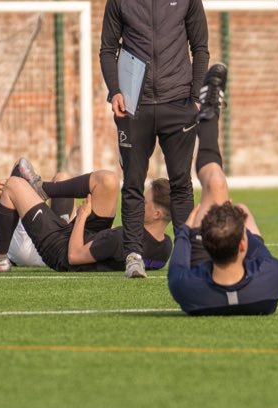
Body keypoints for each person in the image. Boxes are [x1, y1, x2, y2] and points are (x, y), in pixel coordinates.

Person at [99, 0, 210, 278]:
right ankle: (134, 256)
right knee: (133, 183)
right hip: (134, 106)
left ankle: (186, 258)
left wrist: (195, 97)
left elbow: (200, 48)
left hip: (179, 103)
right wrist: (115, 91)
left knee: (181, 184)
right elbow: (107, 49)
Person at [168, 64, 278, 315]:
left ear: (204, 242)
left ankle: (208, 113)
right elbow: (257, 248)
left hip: (205, 276)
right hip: (239, 275)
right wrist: (188, 229)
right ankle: (209, 113)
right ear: (243, 245)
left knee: (218, 185)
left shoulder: (185, 287)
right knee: (231, 199)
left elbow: (179, 260)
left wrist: (187, 229)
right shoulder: (272, 277)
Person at [0, 161, 173, 273]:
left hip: (61, 249)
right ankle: (44, 189)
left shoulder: (120, 238)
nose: (136, 203)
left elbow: (73, 256)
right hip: (91, 240)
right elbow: (111, 250)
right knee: (109, 180)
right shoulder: (165, 246)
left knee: (13, 184)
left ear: (157, 214)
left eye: (143, 202)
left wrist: (81, 217)